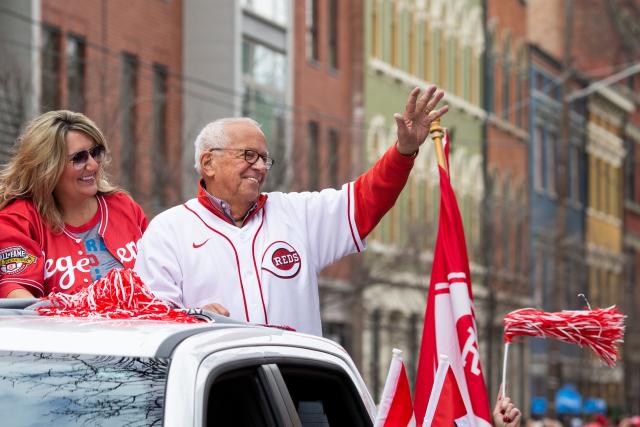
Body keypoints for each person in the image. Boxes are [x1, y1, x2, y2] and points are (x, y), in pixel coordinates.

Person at [134, 86, 448, 335]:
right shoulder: (169, 230)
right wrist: (193, 320)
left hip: (294, 394)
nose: (258, 166)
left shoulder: (295, 213)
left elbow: (366, 201)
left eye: (264, 159)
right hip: (216, 394)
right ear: (208, 162)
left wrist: (404, 152)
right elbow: (151, 321)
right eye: (248, 155)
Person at [0, 110, 148, 298]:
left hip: (139, 325)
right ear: (47, 167)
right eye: (78, 158)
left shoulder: (124, 206)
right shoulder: (19, 219)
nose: (93, 165)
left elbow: (161, 278)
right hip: (57, 327)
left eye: (95, 153)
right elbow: (16, 291)